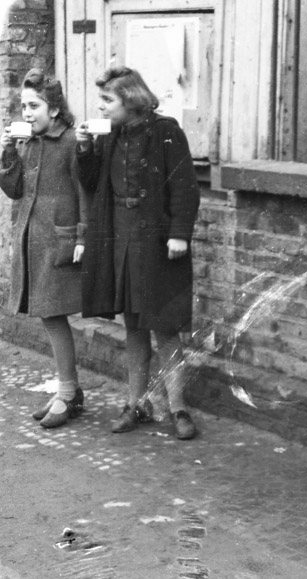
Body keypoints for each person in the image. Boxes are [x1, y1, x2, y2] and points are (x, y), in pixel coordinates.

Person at [75, 66, 200, 440]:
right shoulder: (109, 135)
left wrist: (180, 234)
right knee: (133, 325)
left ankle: (178, 407)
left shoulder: (166, 132)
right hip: (120, 238)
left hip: (158, 241)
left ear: (130, 100)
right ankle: (137, 403)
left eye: (107, 100)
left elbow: (185, 187)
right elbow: (93, 183)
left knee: (164, 326)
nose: (101, 107)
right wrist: (84, 148)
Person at [0, 69, 88, 429]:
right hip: (31, 240)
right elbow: (15, 191)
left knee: (54, 314)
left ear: (54, 109)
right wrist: (7, 151)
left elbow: (87, 193)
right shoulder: (27, 142)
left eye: (34, 105)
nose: (27, 112)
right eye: (23, 105)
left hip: (60, 240)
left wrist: (82, 238)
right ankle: (69, 391)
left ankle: (68, 394)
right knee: (48, 315)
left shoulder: (71, 142)